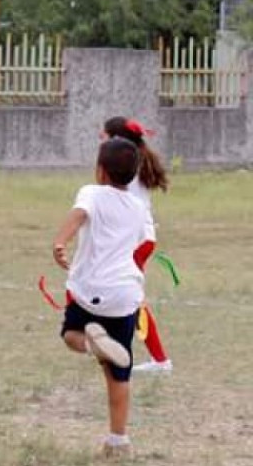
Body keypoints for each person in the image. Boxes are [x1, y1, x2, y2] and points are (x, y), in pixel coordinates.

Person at [52, 137, 153, 459]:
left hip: (90, 290)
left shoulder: (92, 193)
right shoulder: (138, 207)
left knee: (70, 335)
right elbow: (143, 243)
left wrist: (60, 242)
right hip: (125, 295)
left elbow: (78, 215)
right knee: (118, 371)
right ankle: (118, 440)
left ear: (101, 171)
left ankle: (92, 344)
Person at [101, 116, 172, 374]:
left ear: (117, 139)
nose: (101, 139)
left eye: (105, 135)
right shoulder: (136, 161)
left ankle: (159, 360)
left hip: (135, 241)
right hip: (140, 239)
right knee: (122, 295)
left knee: (131, 300)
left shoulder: (125, 166)